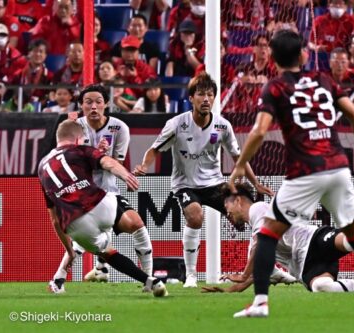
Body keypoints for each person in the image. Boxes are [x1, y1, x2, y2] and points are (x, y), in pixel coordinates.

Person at [228, 29, 354, 318]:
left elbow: (260, 130)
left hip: (305, 171)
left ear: (273, 59)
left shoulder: (275, 88)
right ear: (303, 54)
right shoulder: (324, 80)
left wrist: (240, 165)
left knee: (266, 235)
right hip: (338, 167)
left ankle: (260, 303)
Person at [133, 72, 273, 288]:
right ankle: (190, 275)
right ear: (191, 98)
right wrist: (144, 165)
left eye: (210, 94)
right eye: (201, 94)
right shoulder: (177, 124)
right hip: (186, 184)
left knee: (249, 213)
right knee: (195, 216)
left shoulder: (222, 125)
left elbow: (239, 158)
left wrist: (255, 184)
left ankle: (271, 268)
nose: (206, 99)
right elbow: (154, 149)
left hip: (215, 183)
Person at [202, 183, 354, 293]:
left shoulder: (259, 209)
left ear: (239, 200)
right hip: (306, 267)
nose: (227, 212)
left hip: (313, 240)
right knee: (322, 287)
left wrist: (242, 274)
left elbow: (260, 248)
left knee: (351, 240)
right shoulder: (254, 232)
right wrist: (226, 292)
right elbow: (256, 273)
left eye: (226, 205)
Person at [39, 120, 167, 297]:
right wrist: (125, 175)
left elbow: (54, 219)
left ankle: (151, 282)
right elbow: (108, 162)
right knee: (132, 224)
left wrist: (69, 250)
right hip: (103, 204)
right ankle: (95, 270)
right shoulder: (81, 150)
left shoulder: (41, 167)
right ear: (77, 138)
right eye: (83, 140)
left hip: (76, 222)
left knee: (108, 252)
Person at [49, 84, 153, 292]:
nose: (93, 107)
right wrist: (94, 154)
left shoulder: (119, 127)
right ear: (81, 106)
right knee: (87, 237)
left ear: (106, 104)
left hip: (108, 191)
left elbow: (117, 163)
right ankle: (61, 277)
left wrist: (107, 160)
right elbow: (66, 163)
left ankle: (148, 279)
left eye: (98, 102)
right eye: (88, 102)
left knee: (137, 224)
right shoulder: (73, 127)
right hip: (80, 192)